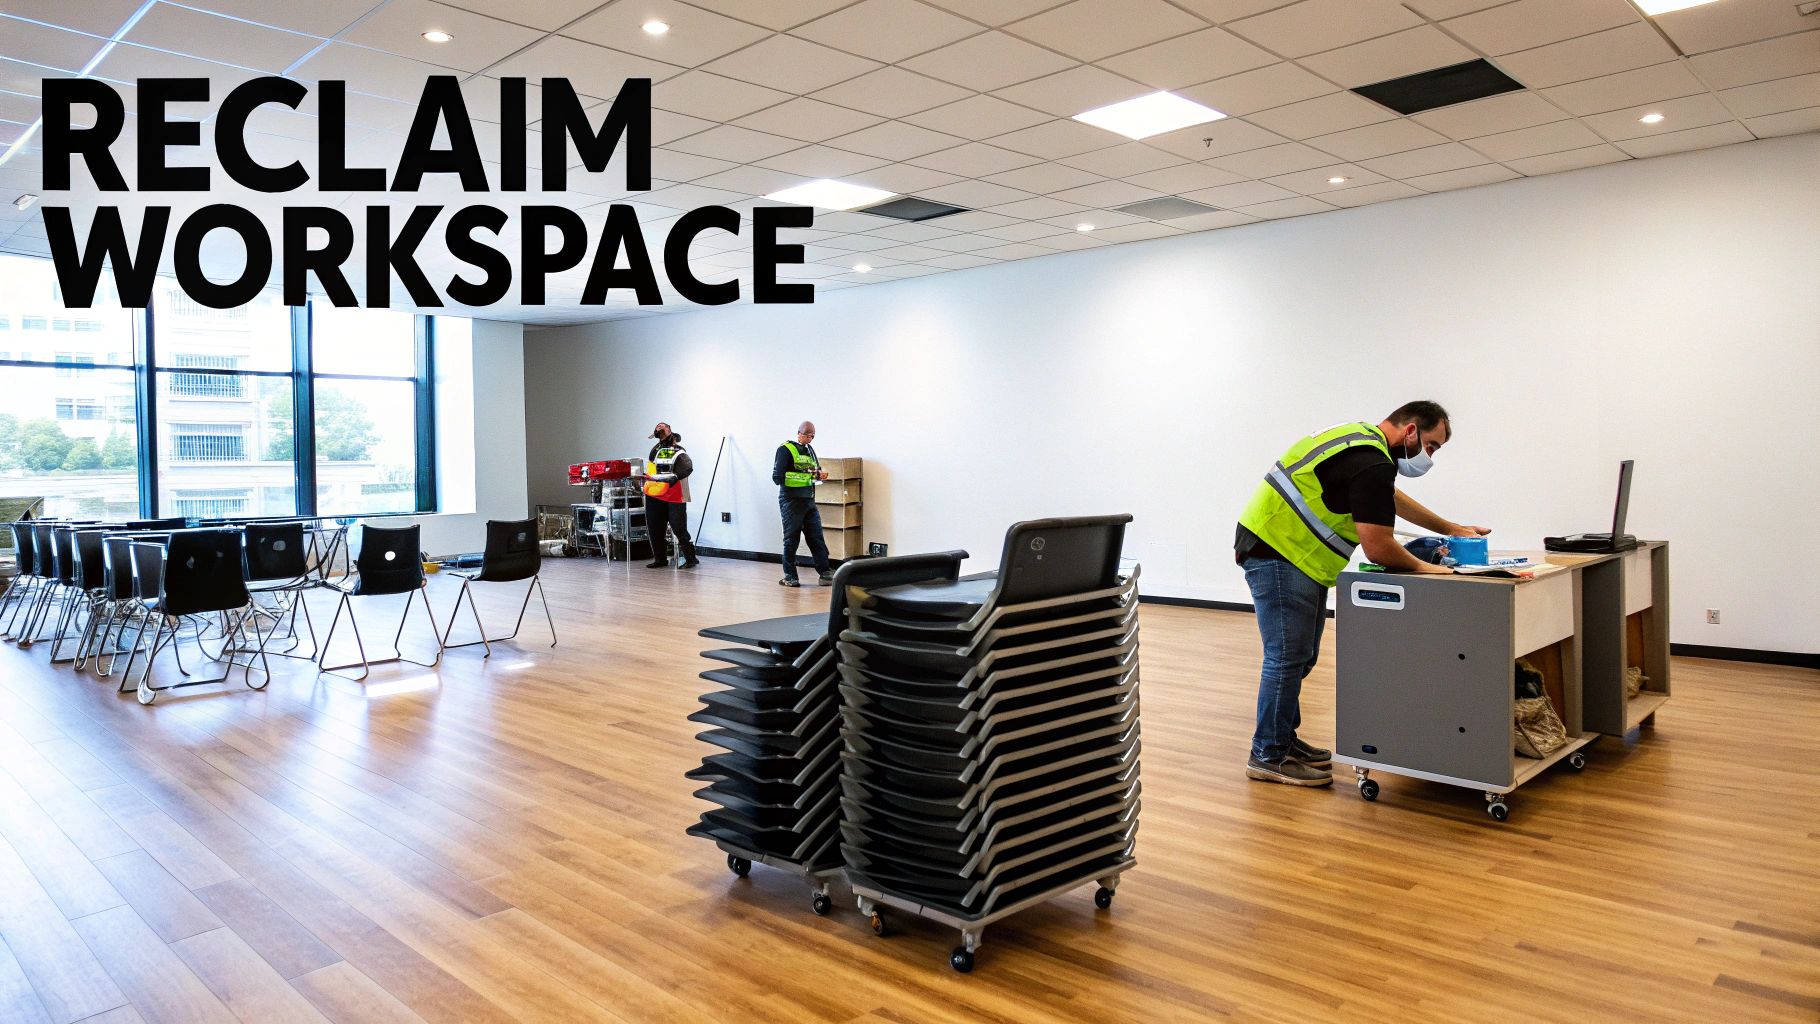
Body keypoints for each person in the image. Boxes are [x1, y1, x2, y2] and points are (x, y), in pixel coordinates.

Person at [1234, 401, 1490, 787]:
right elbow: (1379, 548)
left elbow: (1388, 496)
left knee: (1300, 657)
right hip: (1278, 552)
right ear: (1410, 432)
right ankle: (1268, 754)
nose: (1429, 457)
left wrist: (1448, 527)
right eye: (1431, 446)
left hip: (1289, 551)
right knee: (1286, 658)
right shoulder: (1373, 463)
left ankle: (1283, 739)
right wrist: (1434, 569)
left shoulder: (1363, 443)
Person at [774, 421, 833, 588]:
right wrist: (806, 477)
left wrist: (818, 475)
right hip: (791, 501)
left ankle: (825, 573)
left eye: (813, 436)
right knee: (791, 539)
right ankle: (790, 576)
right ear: (799, 433)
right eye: (808, 435)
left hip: (809, 501)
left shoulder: (809, 450)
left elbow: (814, 470)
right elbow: (778, 478)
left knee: (816, 537)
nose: (810, 438)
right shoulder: (785, 450)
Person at [643, 422, 698, 569]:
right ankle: (660, 559)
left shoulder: (678, 451)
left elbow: (687, 467)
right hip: (654, 493)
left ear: (669, 431)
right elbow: (652, 469)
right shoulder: (654, 450)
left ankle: (690, 558)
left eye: (663, 427)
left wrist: (675, 476)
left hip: (674, 494)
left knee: (678, 527)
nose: (660, 429)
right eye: (658, 428)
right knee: (655, 527)